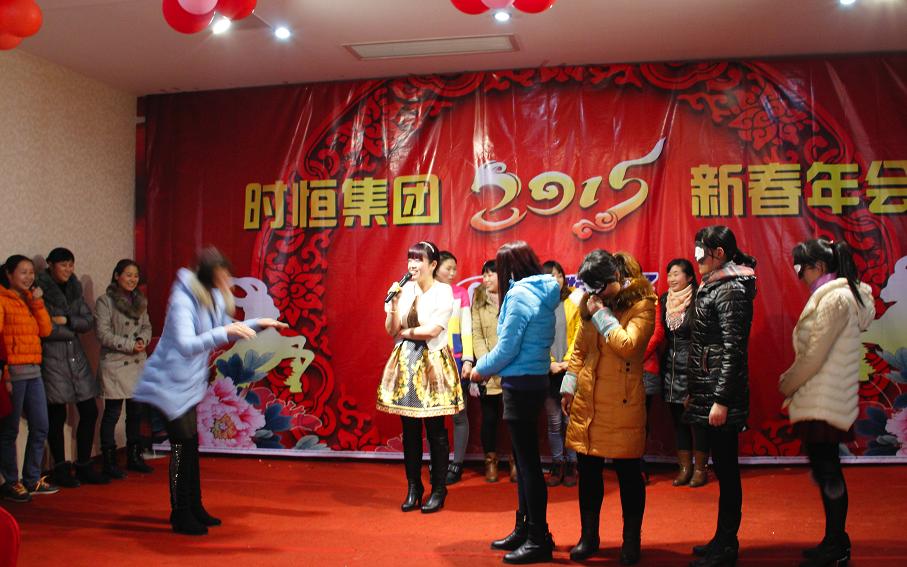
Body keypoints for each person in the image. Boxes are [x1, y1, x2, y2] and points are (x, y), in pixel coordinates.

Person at [133, 248, 287, 535]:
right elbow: (186, 344)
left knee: (190, 446)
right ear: (209, 276)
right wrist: (227, 332)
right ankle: (180, 513)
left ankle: (194, 506)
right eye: (222, 275)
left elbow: (223, 327)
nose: (228, 280)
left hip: (188, 383)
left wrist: (258, 323)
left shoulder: (212, 296)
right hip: (169, 384)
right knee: (181, 448)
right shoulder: (183, 300)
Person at [779, 238, 874, 567]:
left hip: (824, 398)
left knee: (828, 471)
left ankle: (836, 544)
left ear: (818, 266)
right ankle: (835, 540)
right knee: (825, 469)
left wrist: (787, 383)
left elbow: (814, 355)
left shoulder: (834, 299)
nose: (799, 275)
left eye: (800, 268)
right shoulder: (836, 296)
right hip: (825, 396)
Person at [561, 250, 656, 565]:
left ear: (615, 278)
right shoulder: (592, 301)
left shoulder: (642, 304)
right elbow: (579, 349)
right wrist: (568, 386)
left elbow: (628, 346)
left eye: (599, 288)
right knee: (588, 473)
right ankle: (589, 537)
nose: (594, 295)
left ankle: (631, 541)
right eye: (589, 289)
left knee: (629, 475)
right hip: (588, 400)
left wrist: (602, 314)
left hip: (622, 402)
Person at [470, 241, 559, 565]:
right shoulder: (541, 291)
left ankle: (538, 537)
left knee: (529, 465)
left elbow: (507, 347)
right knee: (524, 463)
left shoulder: (520, 294)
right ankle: (525, 528)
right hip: (531, 380)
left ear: (510, 268)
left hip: (521, 383)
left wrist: (479, 369)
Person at [686, 226, 757, 567]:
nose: (697, 258)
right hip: (709, 388)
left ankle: (727, 544)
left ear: (719, 253)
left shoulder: (731, 289)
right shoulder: (715, 283)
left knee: (727, 472)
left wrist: (722, 400)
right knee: (723, 468)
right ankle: (722, 538)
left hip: (721, 395)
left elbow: (733, 350)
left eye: (701, 252)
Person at [377, 241, 463, 514]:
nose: (412, 265)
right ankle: (414, 487)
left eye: (419, 260)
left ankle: (439, 488)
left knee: (436, 429)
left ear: (433, 265)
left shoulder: (443, 291)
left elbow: (433, 330)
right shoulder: (403, 289)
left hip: (432, 362)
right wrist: (393, 305)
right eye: (410, 260)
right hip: (406, 362)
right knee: (410, 430)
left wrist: (406, 332)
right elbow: (392, 329)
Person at [36, 247, 106, 487]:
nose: (68, 269)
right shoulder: (40, 290)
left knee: (89, 411)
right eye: (63, 264)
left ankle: (84, 465)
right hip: (52, 359)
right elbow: (45, 328)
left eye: (70, 264)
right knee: (56, 416)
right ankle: (60, 468)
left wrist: (66, 321)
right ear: (50, 265)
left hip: (76, 358)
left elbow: (87, 322)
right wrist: (71, 328)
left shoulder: (75, 288)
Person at [0, 255, 57, 502]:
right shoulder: (2, 299)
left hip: (34, 371)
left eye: (31, 272)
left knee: (41, 425)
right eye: (23, 272)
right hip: (13, 373)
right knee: (9, 430)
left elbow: (46, 330)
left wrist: (37, 303)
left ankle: (32, 478)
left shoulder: (29, 300)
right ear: (9, 274)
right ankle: (11, 482)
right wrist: (5, 374)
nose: (29, 277)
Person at [95, 259, 154, 479]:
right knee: (112, 413)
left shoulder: (140, 301)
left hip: (137, 361)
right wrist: (129, 345)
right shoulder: (105, 301)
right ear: (117, 275)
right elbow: (103, 333)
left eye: (135, 276)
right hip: (116, 362)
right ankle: (109, 461)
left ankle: (134, 456)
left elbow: (147, 326)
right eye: (128, 275)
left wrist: (142, 340)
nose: (132, 279)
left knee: (136, 412)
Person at [660, 258, 709, 487]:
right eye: (669, 274)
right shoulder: (664, 300)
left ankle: (700, 469)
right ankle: (684, 468)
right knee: (678, 420)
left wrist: (698, 369)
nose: (671, 278)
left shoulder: (699, 298)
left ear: (689, 277)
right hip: (670, 367)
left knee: (697, 420)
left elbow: (703, 337)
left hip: (694, 364)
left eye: (677, 274)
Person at [471, 259, 513, 483]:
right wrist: (487, 363)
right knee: (489, 417)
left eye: (490, 274)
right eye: (484, 274)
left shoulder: (514, 297)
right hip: (488, 369)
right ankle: (490, 460)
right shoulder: (478, 299)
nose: (486, 279)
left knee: (514, 418)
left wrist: (505, 362)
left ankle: (516, 460)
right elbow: (476, 335)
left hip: (513, 367)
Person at [435, 250, 474, 485]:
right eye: (448, 268)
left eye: (454, 269)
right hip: (431, 361)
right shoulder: (424, 292)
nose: (452, 273)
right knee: (434, 415)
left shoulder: (460, 293)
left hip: (456, 360)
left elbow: (467, 329)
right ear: (435, 267)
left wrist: (468, 359)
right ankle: (438, 461)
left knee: (459, 414)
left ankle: (457, 463)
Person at [540, 260, 580, 487]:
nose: (556, 280)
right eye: (551, 276)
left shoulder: (574, 299)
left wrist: (568, 362)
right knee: (554, 421)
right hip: (548, 371)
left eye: (559, 275)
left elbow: (580, 334)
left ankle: (572, 463)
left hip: (570, 369)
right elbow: (536, 337)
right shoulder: (538, 304)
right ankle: (557, 463)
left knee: (570, 419)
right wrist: (551, 363)